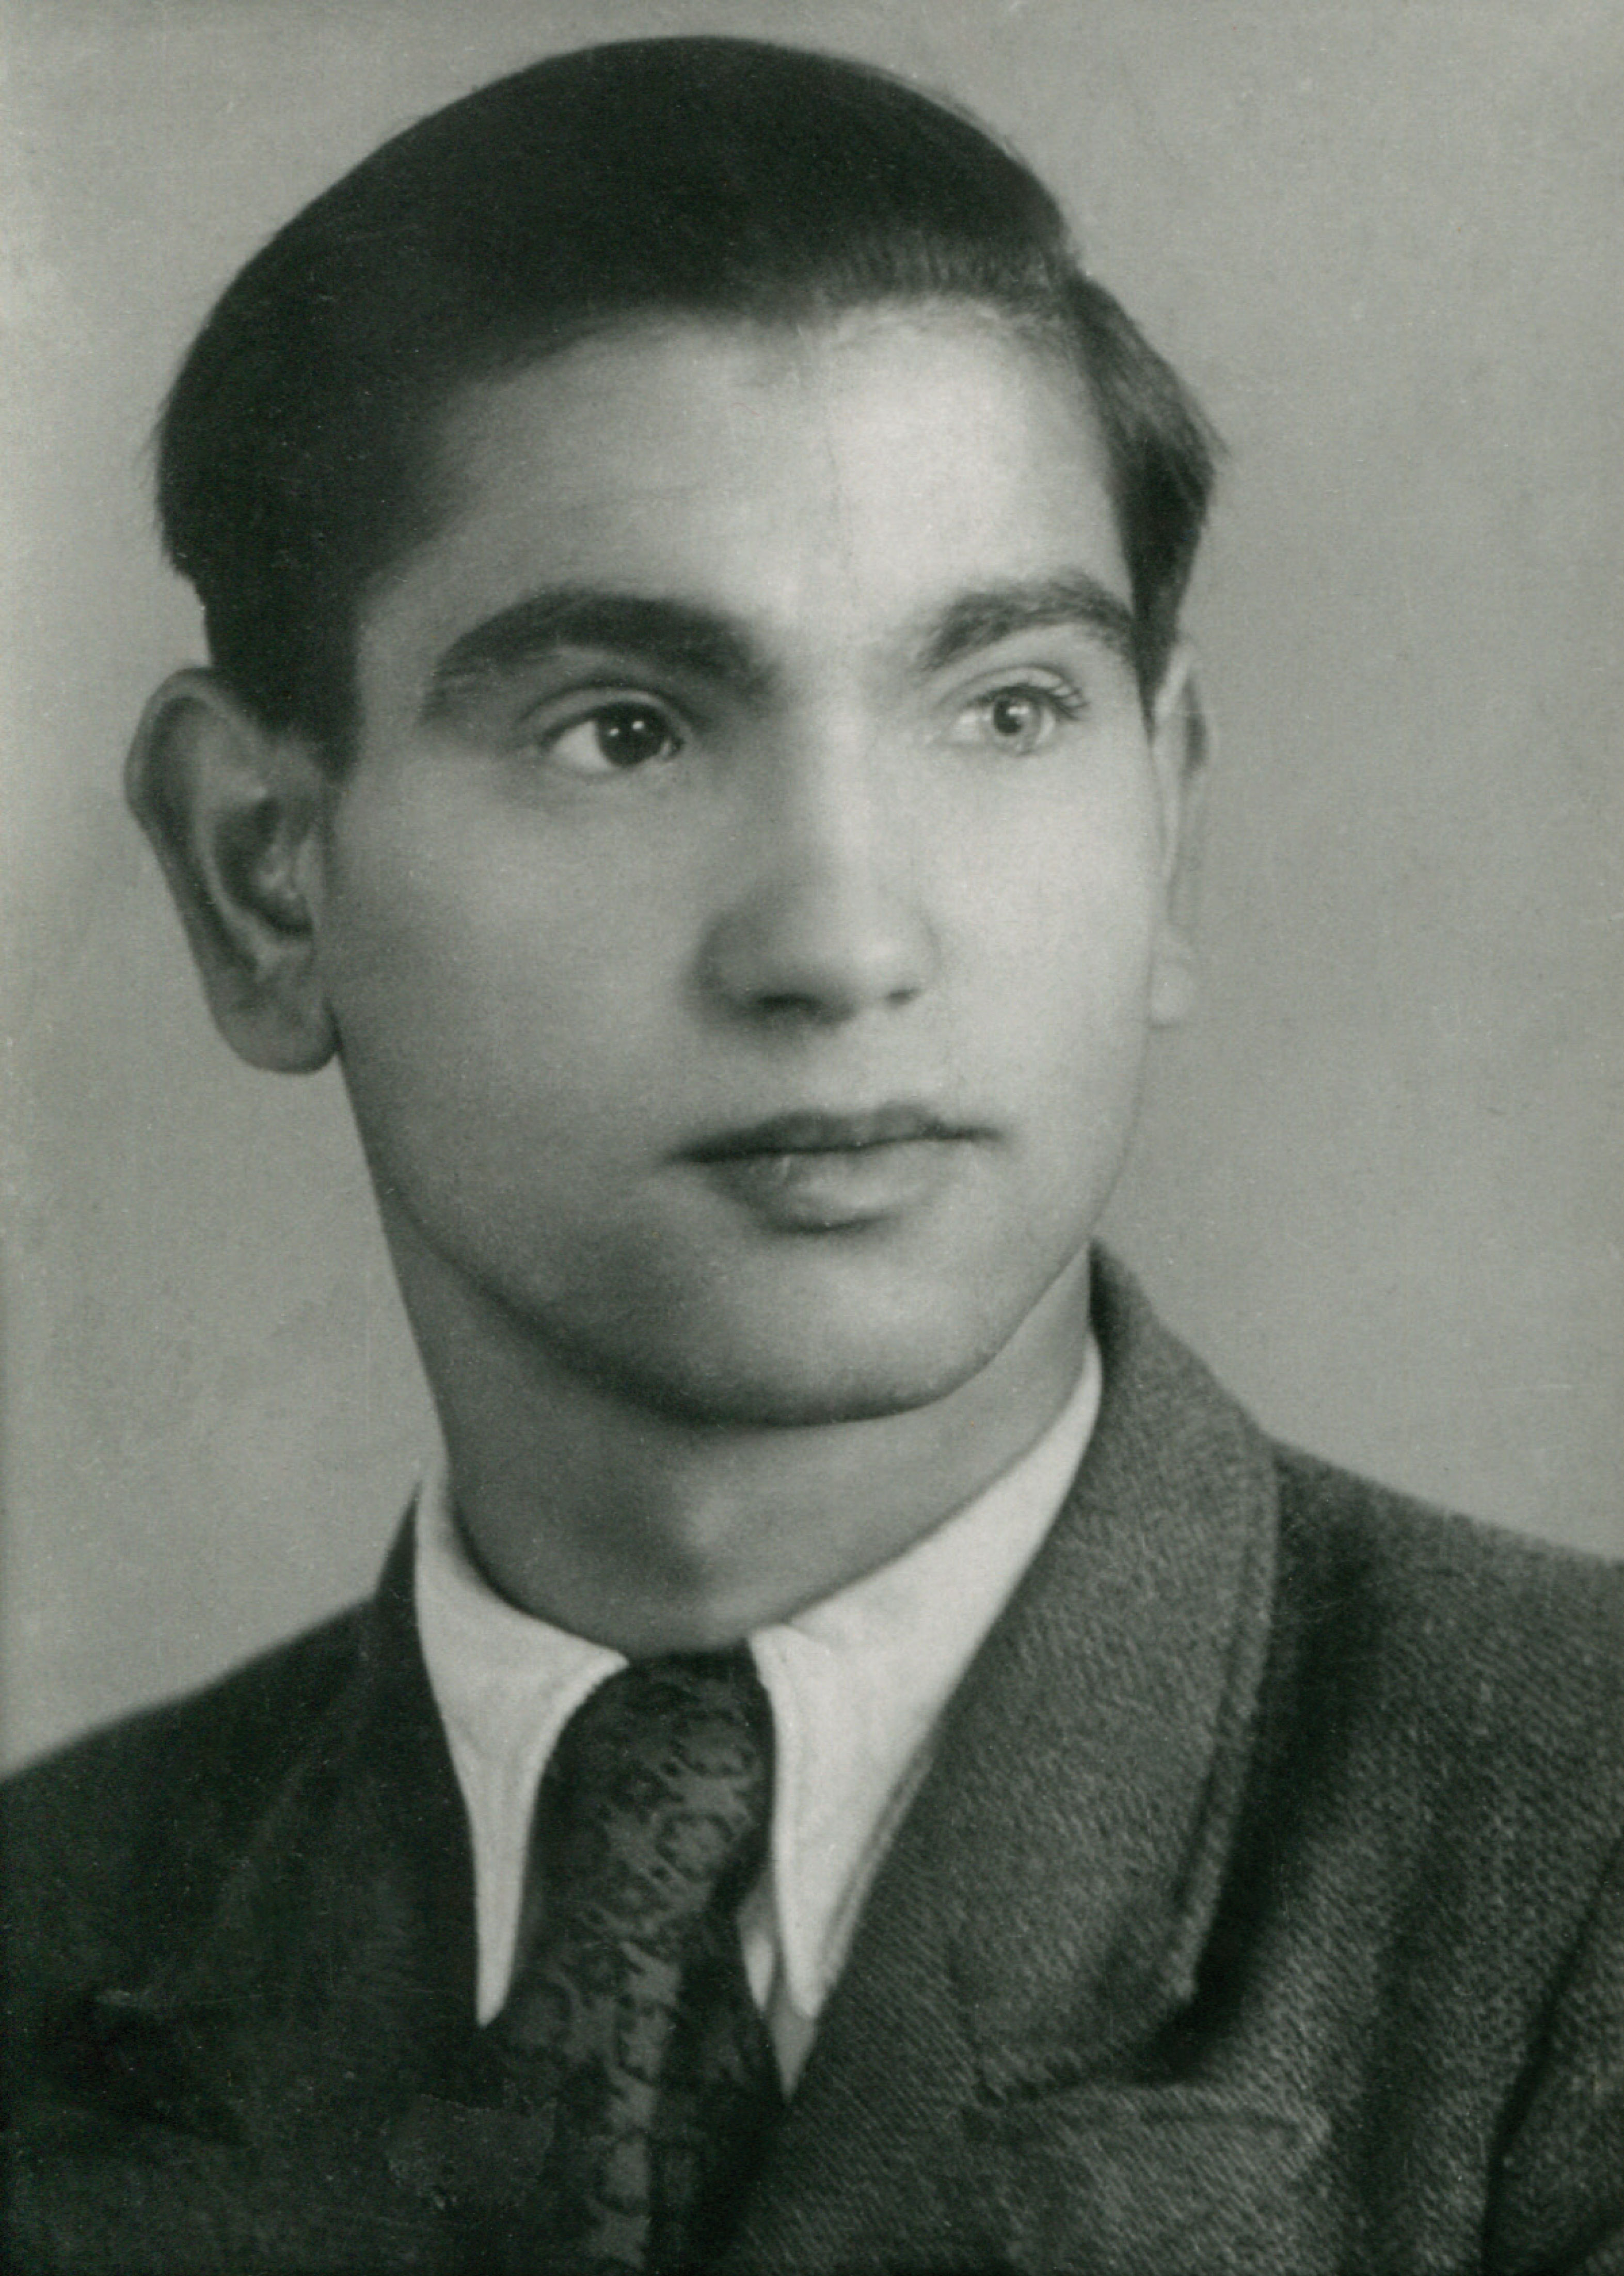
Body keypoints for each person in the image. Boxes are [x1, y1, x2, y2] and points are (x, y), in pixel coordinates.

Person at [2, 34, 1618, 2275]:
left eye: (1005, 708)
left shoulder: (1576, 1869)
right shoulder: (47, 1919)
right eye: (626, 729)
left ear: (1166, 817)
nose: (844, 941)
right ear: (265, 876)